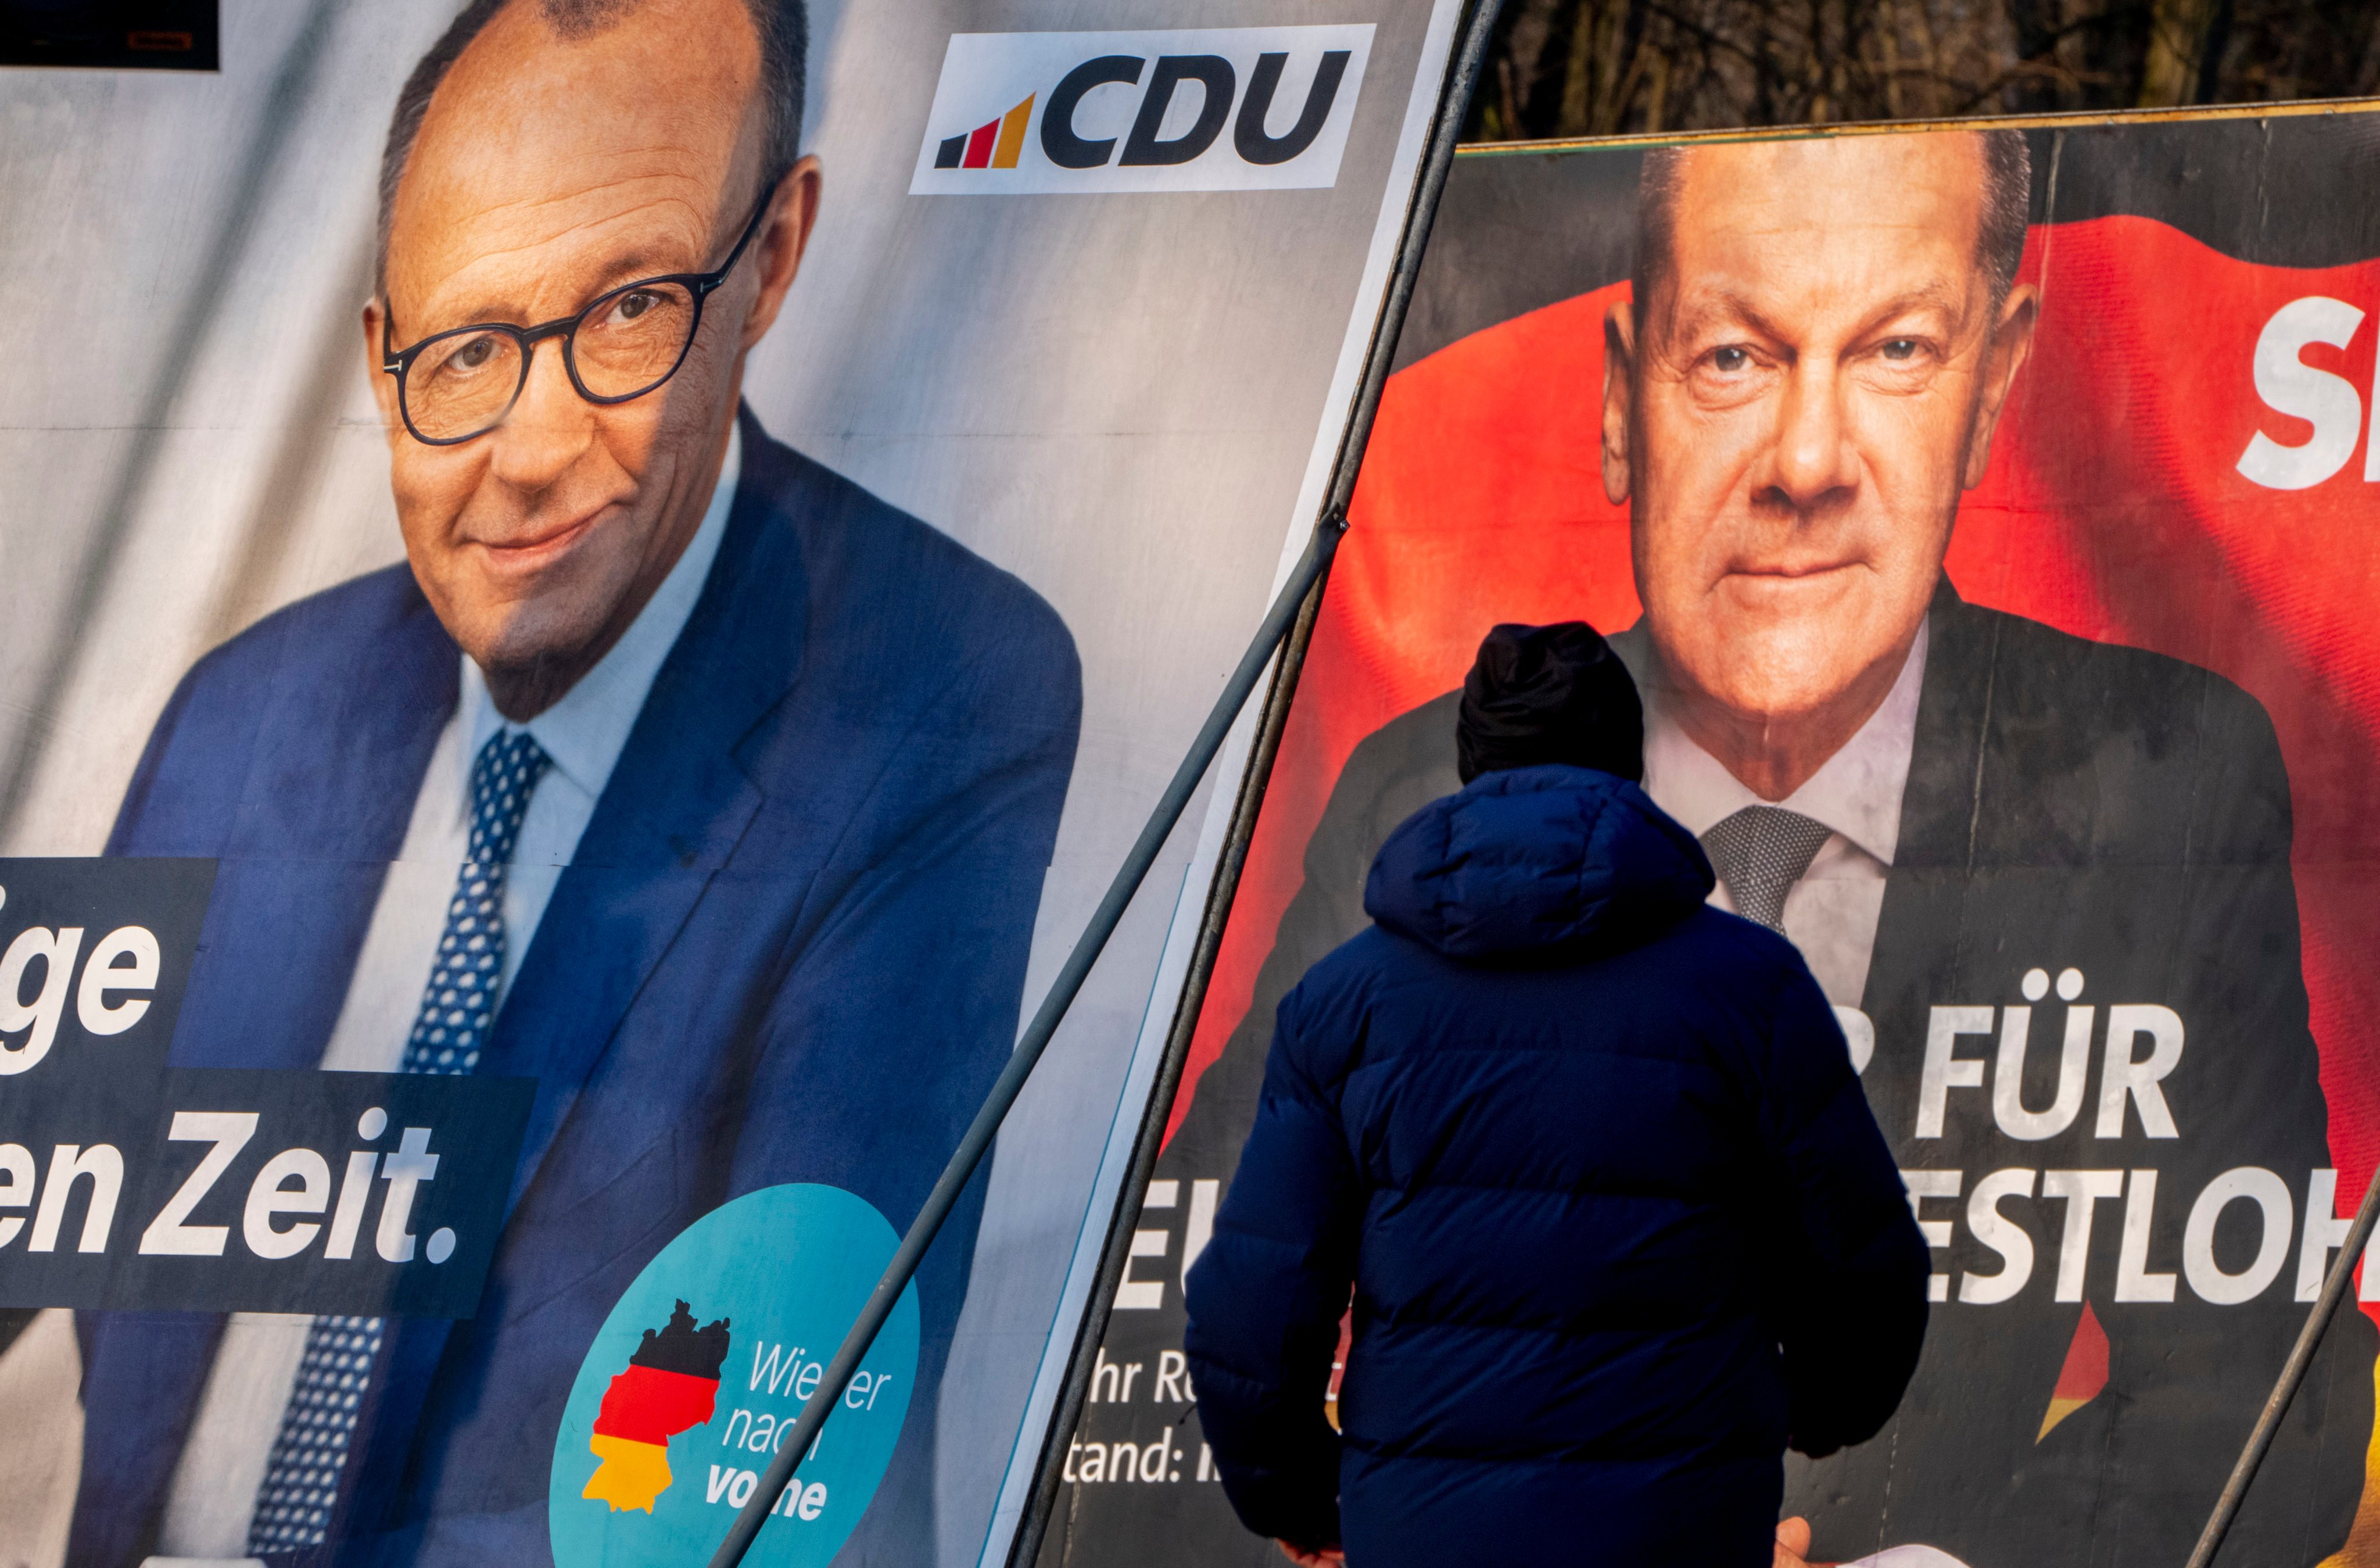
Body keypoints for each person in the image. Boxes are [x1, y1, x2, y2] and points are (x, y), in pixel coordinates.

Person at [1171, 130, 2374, 1566]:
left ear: (1991, 387)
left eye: (1894, 352)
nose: (1804, 463)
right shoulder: (1669, 950)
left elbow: (2263, 1397)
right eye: (1733, 357)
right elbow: (1868, 1306)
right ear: (1623, 399)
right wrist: (1745, 1453)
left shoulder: (2159, 778)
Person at [67, 0, 1081, 1563]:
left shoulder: (934, 688)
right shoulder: (244, 712)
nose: (529, 451)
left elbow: (807, 1444)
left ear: (772, 260)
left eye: (625, 313)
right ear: (379, 352)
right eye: (466, 350)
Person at [1183, 622, 1930, 1568]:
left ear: (1471, 769)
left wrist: (1306, 1500)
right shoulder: (1754, 988)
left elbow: (1249, 1317)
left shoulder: (1342, 1007)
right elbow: (1870, 1277)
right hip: (1679, 1533)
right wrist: (1809, 1415)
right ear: (1632, 765)